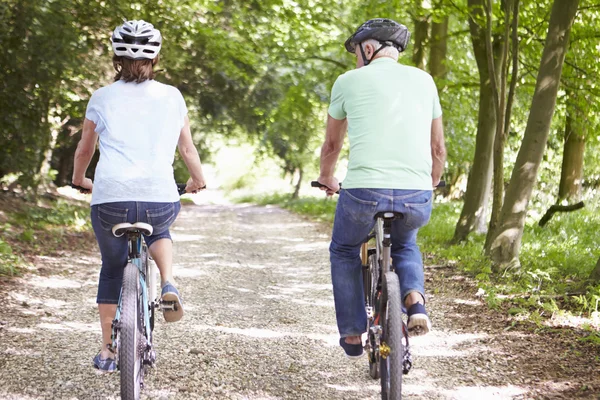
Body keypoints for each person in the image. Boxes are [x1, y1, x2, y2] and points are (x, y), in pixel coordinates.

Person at [71, 19, 207, 372]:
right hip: (158, 196)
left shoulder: (101, 97)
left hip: (110, 198)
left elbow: (86, 149)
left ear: (116, 58)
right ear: (156, 57)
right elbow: (188, 150)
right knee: (160, 230)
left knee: (112, 269)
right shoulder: (172, 96)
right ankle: (168, 282)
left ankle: (108, 351)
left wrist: (79, 179)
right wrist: (197, 181)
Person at [316, 18, 446, 358]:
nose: (355, 61)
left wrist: (327, 177)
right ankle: (415, 302)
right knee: (405, 245)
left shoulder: (348, 82)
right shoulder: (425, 81)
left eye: (356, 53)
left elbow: (331, 146)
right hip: (415, 192)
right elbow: (438, 150)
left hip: (363, 191)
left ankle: (353, 333)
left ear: (369, 48)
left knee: (344, 250)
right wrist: (431, 181)